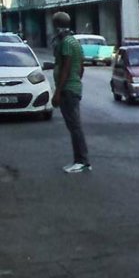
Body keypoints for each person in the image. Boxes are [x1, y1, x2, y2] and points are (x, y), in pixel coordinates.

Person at [52, 12, 90, 173]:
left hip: (68, 89)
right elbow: (81, 67)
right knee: (74, 126)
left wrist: (58, 92)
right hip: (73, 86)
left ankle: (81, 161)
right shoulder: (74, 41)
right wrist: (76, 80)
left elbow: (66, 68)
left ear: (56, 25)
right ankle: (80, 160)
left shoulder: (66, 43)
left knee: (74, 126)